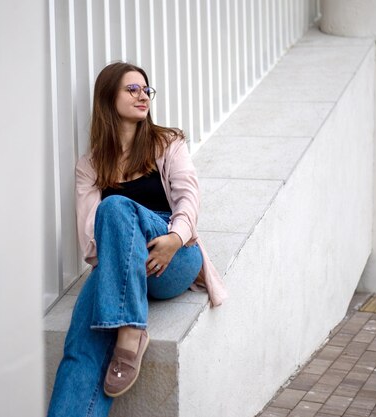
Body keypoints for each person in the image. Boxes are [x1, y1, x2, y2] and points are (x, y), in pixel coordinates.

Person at [47, 61, 228, 416]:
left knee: (114, 207)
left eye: (146, 89)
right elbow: (90, 240)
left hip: (174, 256)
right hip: (123, 262)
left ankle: (131, 332)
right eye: (132, 89)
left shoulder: (167, 142)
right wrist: (124, 257)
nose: (142, 95)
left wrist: (175, 238)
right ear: (107, 98)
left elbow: (189, 197)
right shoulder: (90, 165)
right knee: (80, 343)